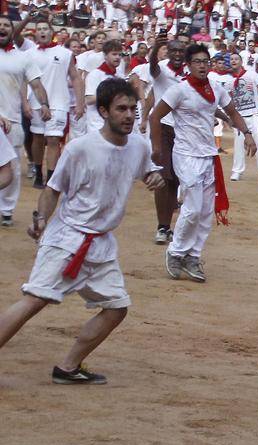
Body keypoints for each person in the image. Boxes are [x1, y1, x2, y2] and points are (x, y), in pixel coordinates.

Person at [0, 78, 163, 383]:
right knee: (34, 300)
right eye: (121, 109)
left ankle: (68, 366)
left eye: (132, 109)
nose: (129, 115)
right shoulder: (80, 148)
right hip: (67, 238)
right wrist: (40, 219)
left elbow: (148, 172)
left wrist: (154, 178)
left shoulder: (139, 145)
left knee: (116, 308)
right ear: (103, 111)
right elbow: (52, 190)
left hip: (101, 244)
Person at [150, 43, 255, 283]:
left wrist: (247, 133)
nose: (202, 66)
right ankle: (176, 252)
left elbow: (233, 111)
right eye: (197, 61)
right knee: (193, 207)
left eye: (205, 61)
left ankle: (193, 256)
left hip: (208, 155)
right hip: (186, 154)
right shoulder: (180, 90)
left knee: (206, 211)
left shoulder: (216, 88)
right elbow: (156, 116)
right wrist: (156, 148)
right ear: (188, 65)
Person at [0, 13, 52, 227]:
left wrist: (45, 104)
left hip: (11, 119)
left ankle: (6, 210)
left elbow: (37, 84)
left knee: (11, 166)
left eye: (6, 25)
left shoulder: (23, 57)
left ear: (13, 31)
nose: (2, 28)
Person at [26, 19, 84, 191]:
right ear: (35, 33)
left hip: (59, 102)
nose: (43, 31)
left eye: (45, 29)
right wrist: (25, 103)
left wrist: (80, 103)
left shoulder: (65, 53)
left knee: (53, 139)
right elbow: (23, 80)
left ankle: (51, 177)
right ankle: (37, 171)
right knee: (37, 138)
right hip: (35, 103)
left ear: (52, 32)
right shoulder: (29, 54)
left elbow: (75, 77)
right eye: (39, 29)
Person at [146, 38, 188, 244]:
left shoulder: (190, 72)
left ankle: (168, 226)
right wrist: (155, 49)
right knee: (163, 178)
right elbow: (153, 68)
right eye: (174, 51)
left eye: (181, 51)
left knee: (175, 180)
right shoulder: (160, 67)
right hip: (162, 127)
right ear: (168, 52)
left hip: (184, 130)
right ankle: (162, 226)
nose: (178, 54)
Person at [225, 53, 258, 182]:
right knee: (238, 144)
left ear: (241, 62)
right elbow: (229, 100)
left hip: (255, 113)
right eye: (231, 59)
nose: (234, 61)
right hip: (239, 116)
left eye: (236, 59)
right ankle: (237, 171)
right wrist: (230, 116)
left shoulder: (252, 74)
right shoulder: (228, 80)